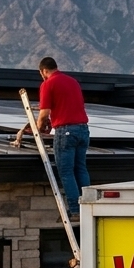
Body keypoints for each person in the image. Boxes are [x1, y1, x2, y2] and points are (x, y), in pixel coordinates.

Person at [13, 57, 89, 222]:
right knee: (80, 169)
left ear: (43, 71)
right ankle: (88, 206)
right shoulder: (73, 82)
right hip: (83, 130)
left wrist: (37, 130)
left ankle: (75, 211)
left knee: (66, 172)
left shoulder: (48, 84)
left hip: (66, 131)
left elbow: (44, 113)